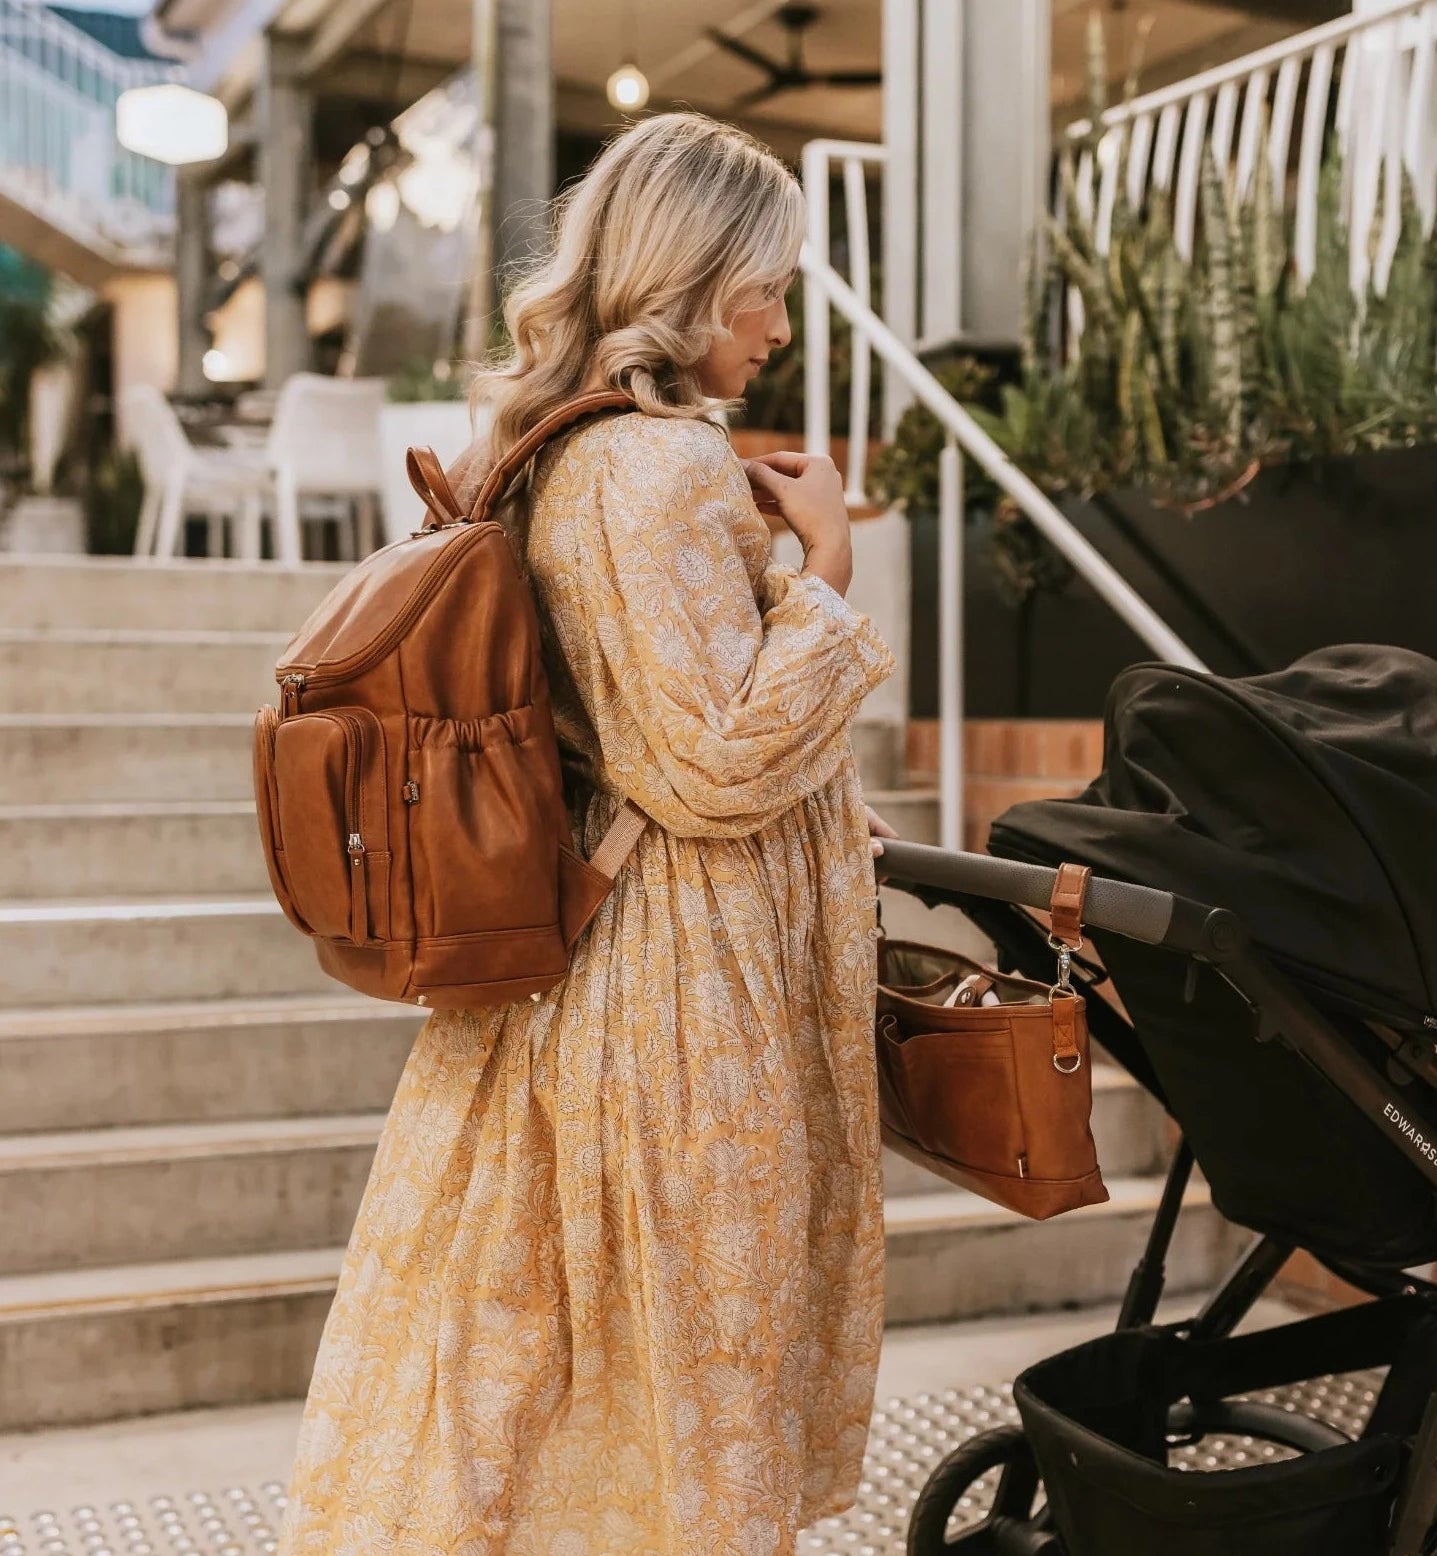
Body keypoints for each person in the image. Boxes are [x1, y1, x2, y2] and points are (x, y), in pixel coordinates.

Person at [278, 110, 898, 1555]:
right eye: (769, 288)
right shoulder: (662, 463)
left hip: (590, 974)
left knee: (559, 1379)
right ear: (697, 280)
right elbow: (715, 757)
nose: (783, 325)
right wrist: (827, 569)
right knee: (690, 1373)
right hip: (680, 988)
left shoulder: (557, 452)